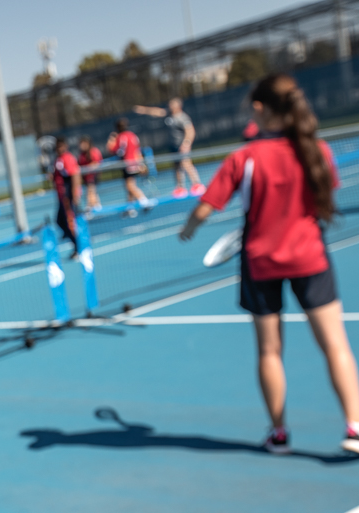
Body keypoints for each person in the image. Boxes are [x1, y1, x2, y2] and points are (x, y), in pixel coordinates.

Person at [179, 73, 359, 455]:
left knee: (269, 351)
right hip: (310, 256)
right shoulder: (316, 151)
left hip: (260, 264)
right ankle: (355, 427)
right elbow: (324, 200)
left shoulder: (244, 158)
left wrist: (189, 228)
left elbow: (206, 207)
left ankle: (279, 434)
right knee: (335, 344)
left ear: (260, 108)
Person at [134, 98, 205, 197]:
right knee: (176, 166)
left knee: (186, 164)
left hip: (182, 146)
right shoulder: (169, 114)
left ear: (178, 106)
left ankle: (197, 184)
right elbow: (157, 112)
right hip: (173, 145)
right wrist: (144, 110)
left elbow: (190, 131)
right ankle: (180, 187)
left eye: (172, 105)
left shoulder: (183, 117)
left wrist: (186, 143)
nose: (170, 106)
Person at [107, 117, 150, 214]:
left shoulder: (121, 137)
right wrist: (141, 164)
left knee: (129, 186)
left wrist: (111, 140)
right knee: (130, 185)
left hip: (127, 164)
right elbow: (137, 150)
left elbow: (116, 150)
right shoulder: (133, 136)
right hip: (135, 163)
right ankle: (130, 207)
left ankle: (144, 201)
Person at [52, 138, 82, 258]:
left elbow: (74, 175)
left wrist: (74, 194)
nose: (59, 150)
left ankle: (78, 247)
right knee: (59, 221)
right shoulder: (58, 160)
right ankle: (74, 242)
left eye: (61, 147)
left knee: (69, 222)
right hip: (61, 196)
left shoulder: (67, 158)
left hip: (67, 196)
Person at [76, 135, 102, 212]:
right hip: (85, 177)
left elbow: (97, 163)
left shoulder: (94, 151)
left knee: (90, 192)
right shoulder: (81, 155)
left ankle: (90, 208)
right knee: (91, 192)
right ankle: (96, 206)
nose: (82, 146)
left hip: (93, 176)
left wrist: (88, 168)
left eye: (84, 143)